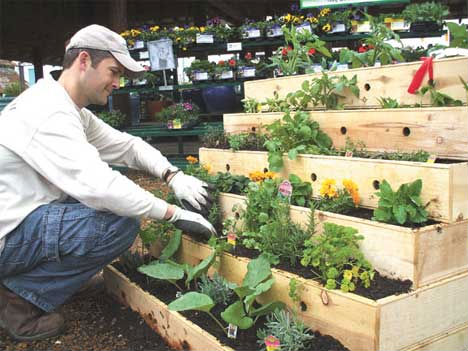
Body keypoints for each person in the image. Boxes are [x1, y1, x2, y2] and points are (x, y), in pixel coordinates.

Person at [0, 24, 216, 341]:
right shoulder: (47, 112)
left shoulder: (67, 107)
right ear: (84, 60)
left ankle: (40, 280)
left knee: (100, 206)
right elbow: (102, 187)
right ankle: (20, 301)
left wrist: (174, 175)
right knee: (117, 224)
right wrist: (173, 213)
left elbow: (127, 146)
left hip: (20, 218)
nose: (117, 83)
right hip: (8, 236)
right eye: (113, 72)